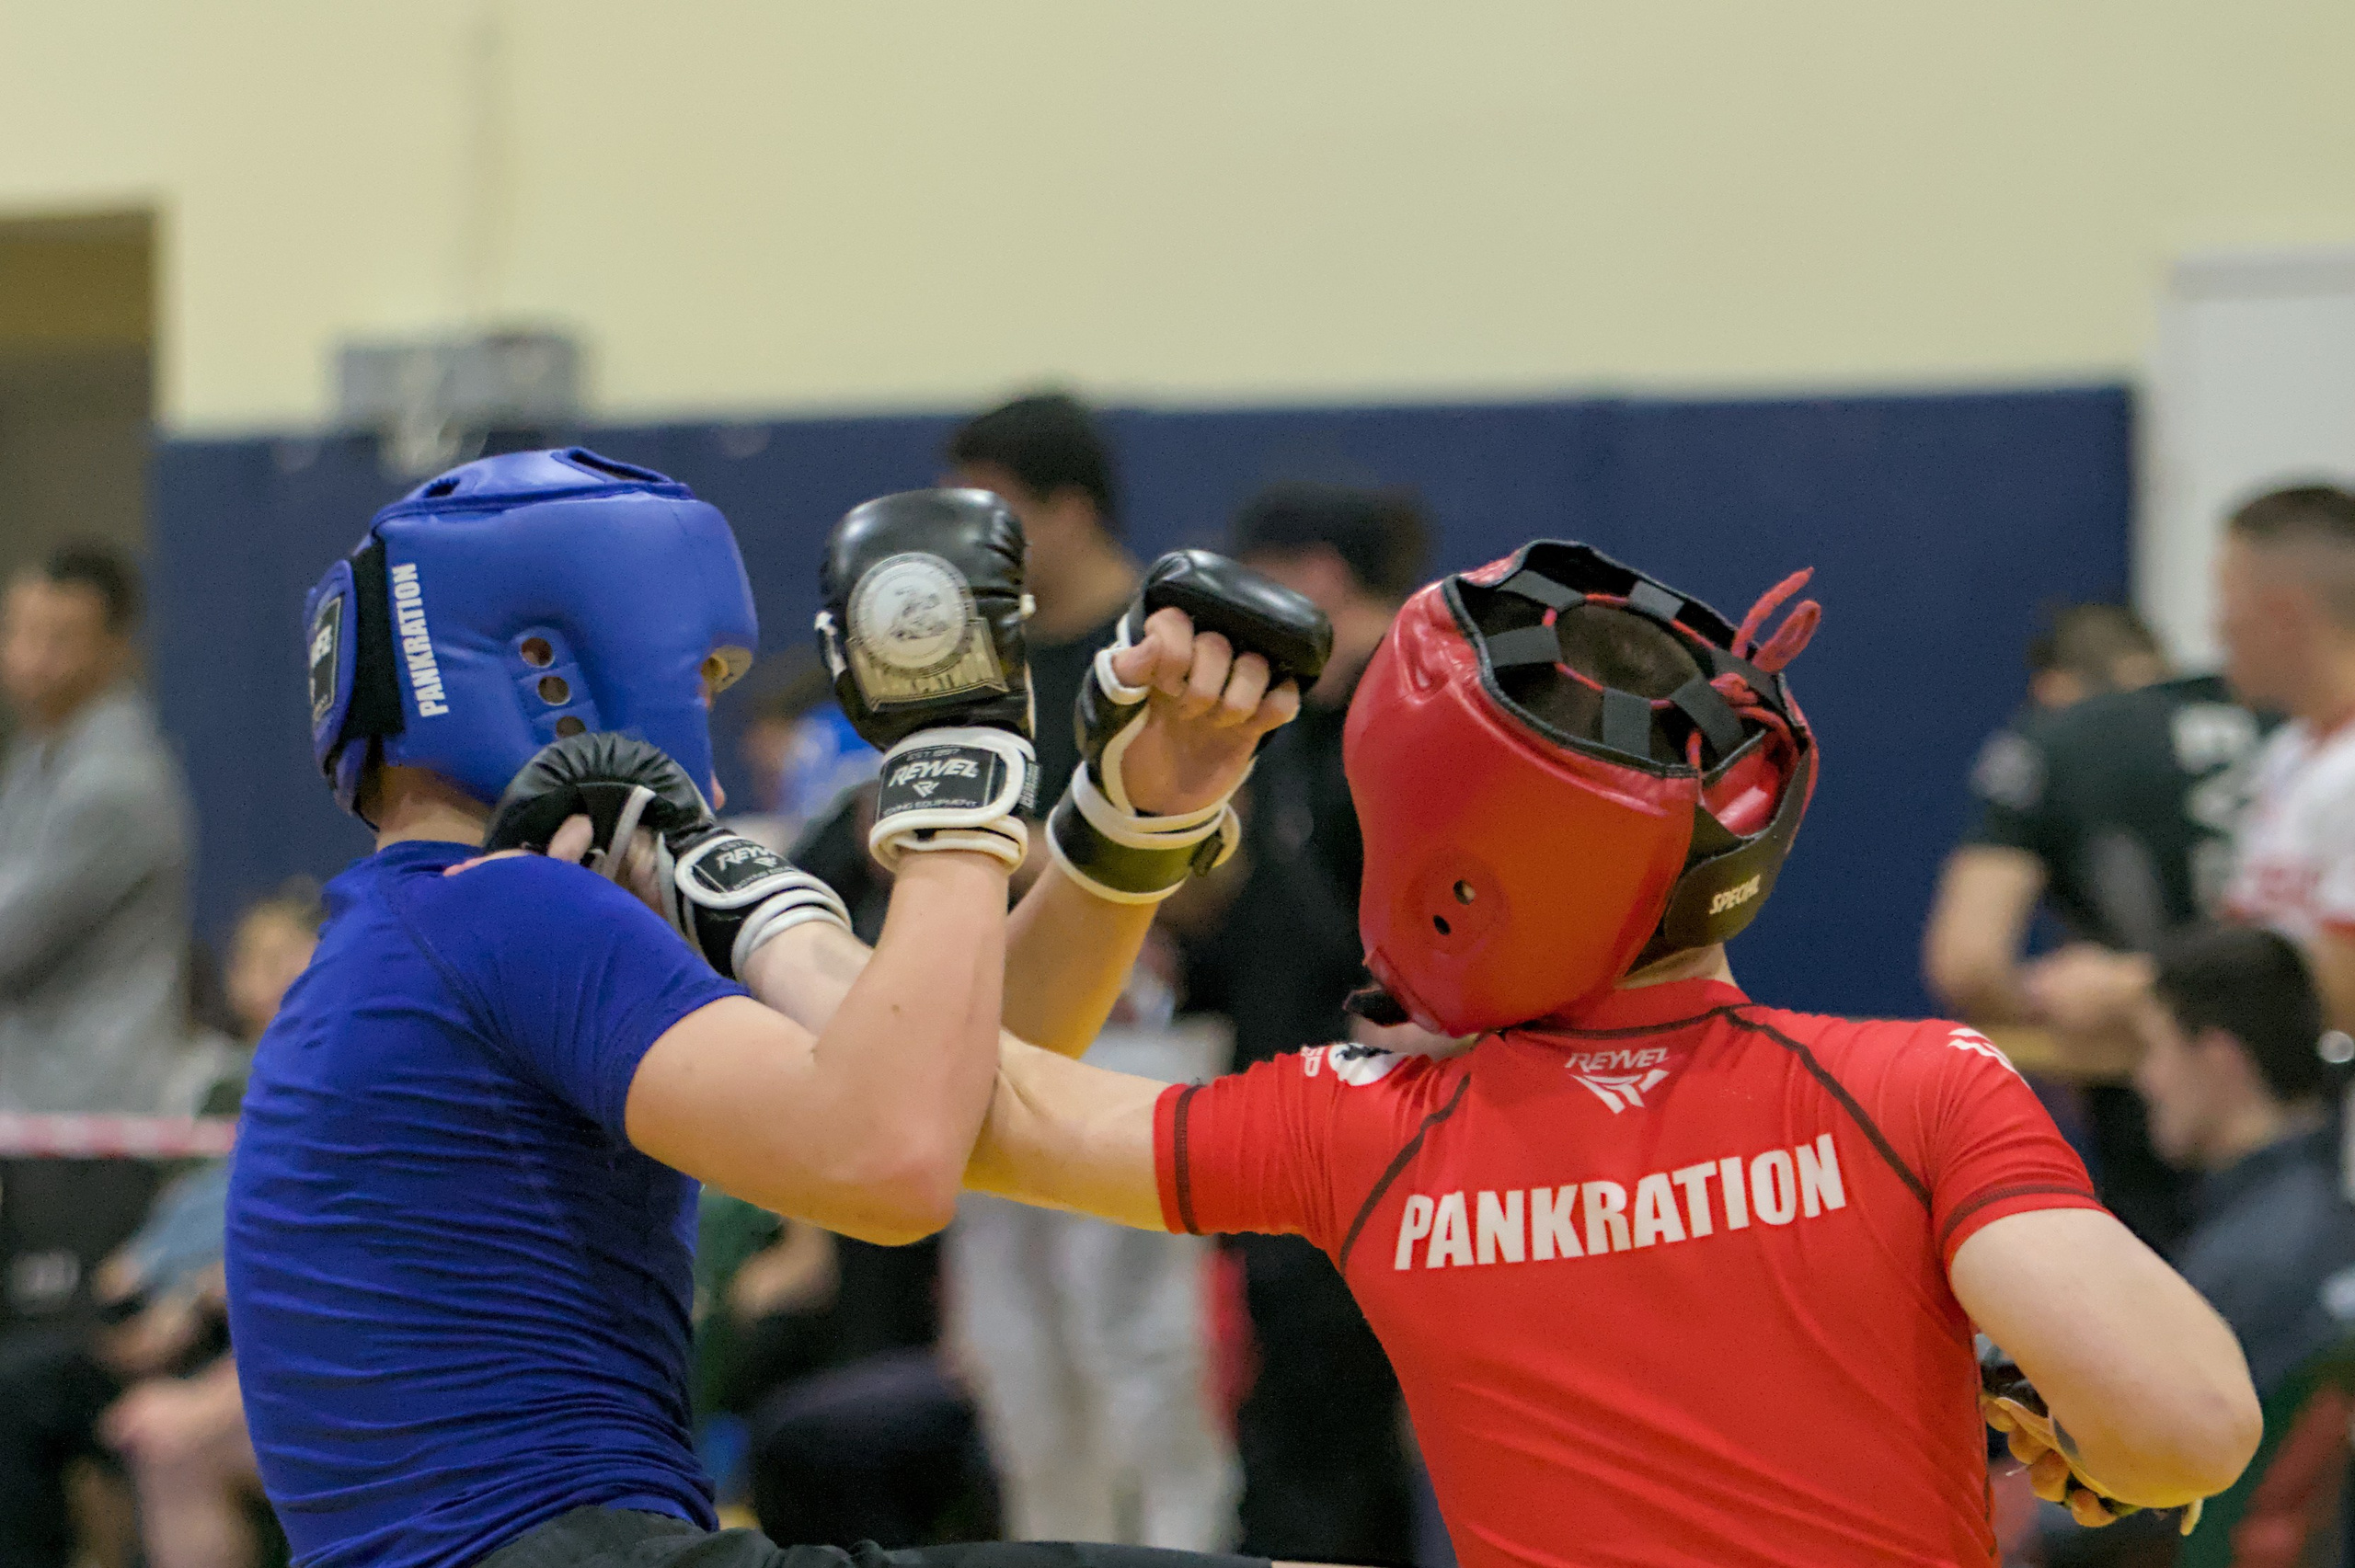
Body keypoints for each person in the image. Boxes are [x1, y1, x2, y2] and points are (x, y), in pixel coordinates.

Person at [959, 539, 2263, 1567]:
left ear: (1442, 866)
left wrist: (1132, 822)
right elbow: (2189, 1431)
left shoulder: (1362, 1125)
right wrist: (2075, 1413)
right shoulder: (1920, 1087)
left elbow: (961, 1102)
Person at [224, 448, 1305, 1568]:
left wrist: (1125, 824)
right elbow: (894, 1160)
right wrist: (953, 763)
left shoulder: (431, 929)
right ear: (548, 671)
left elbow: (962, 1088)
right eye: (699, 683)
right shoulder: (506, 913)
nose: (718, 754)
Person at [942, 394, 1242, 1549]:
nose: (979, 541)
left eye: (1000, 511)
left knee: (1139, 1343)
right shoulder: (976, 656)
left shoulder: (1163, 641)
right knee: (1011, 1351)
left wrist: (1035, 850)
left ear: (1065, 511)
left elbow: (1216, 857)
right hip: (985, 1028)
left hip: (1136, 1033)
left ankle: (1181, 1550)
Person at [1178, 486, 1430, 1567]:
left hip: (1379, 1118)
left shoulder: (1416, 716)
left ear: (1318, 575)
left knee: (1320, 1432)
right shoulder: (1286, 732)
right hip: (1287, 1108)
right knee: (1311, 1421)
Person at [1924, 601, 2268, 1251]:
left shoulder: (2054, 741)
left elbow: (1967, 959)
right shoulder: (2283, 722)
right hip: (2307, 1114)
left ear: (2053, 689)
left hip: (2152, 1108)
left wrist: (2061, 1027)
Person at [0, 882, 322, 1568]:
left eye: (282, 957)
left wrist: (195, 1301)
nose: (260, 978)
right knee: (26, 1386)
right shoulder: (221, 1091)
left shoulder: (335, 1084)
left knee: (166, 1437)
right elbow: (182, 1219)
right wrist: (144, 1278)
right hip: (169, 1323)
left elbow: (301, 1242)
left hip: (251, 1336)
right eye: (248, 958)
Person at [2118, 925, 2355, 1565]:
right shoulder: (2324, 1216)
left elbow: (2126, 1491)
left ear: (2217, 1055)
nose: (2145, 1080)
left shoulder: (2242, 1267)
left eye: (2154, 1049)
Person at [0, 542, 194, 1112]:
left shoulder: (116, 781)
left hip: (90, 1105)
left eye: (59, 639)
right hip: (34, 1093)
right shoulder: (35, 754)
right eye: (19, 631)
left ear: (118, 650)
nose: (31, 658)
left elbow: (11, 935)